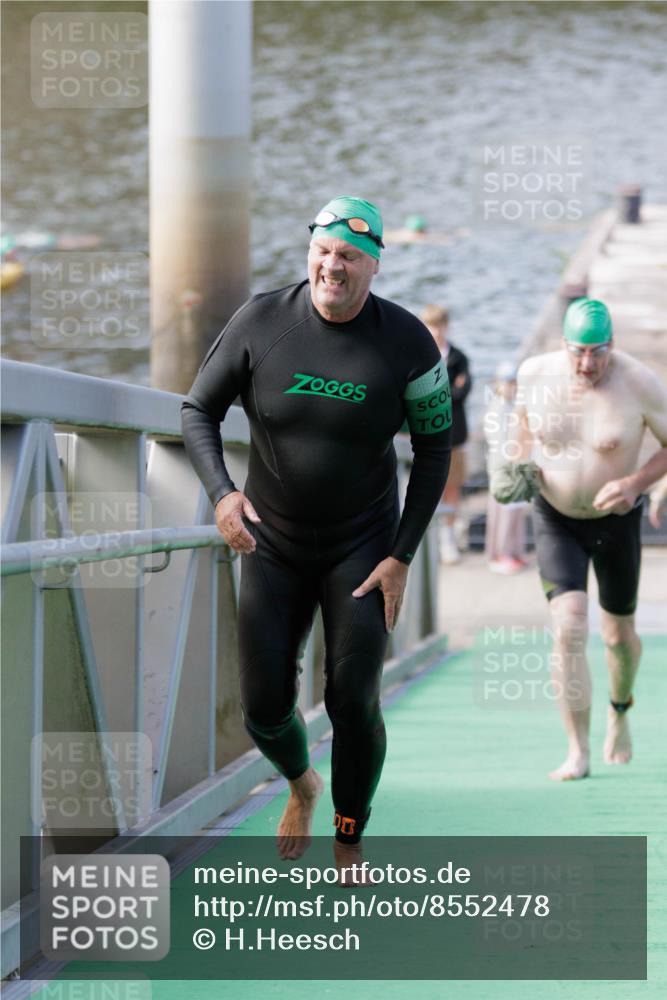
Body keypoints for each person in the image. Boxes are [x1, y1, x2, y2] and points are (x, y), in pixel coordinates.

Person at [181, 196, 452, 878]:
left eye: (349, 257)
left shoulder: (408, 342)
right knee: (265, 706)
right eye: (323, 253)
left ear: (374, 264)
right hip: (272, 542)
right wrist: (222, 494)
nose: (333, 267)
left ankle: (349, 833)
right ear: (310, 254)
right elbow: (196, 411)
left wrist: (400, 555)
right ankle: (302, 782)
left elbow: (435, 451)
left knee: (352, 698)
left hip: (362, 547)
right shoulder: (261, 321)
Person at [495, 298, 667, 781]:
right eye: (578, 352)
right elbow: (523, 431)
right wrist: (516, 462)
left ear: (612, 345)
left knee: (618, 640)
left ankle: (620, 709)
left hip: (616, 521)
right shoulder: (534, 374)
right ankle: (578, 750)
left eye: (598, 352)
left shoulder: (638, 382)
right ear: (562, 346)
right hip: (556, 517)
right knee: (569, 626)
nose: (588, 364)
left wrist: (634, 485)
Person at [421, 304, 472, 563]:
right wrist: (448, 389)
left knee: (453, 486)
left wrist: (437, 393)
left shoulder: (458, 357)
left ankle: (448, 536)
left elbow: (462, 393)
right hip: (426, 435)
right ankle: (433, 535)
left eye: (439, 325)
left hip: (455, 434)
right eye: (431, 325)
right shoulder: (419, 354)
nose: (435, 331)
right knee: (429, 487)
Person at [483, 361, 528, 573]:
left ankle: (514, 551)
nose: (512, 387)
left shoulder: (513, 405)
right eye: (508, 382)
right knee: (503, 512)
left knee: (515, 510)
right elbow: (498, 439)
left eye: (514, 382)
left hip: (515, 464)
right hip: (503, 466)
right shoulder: (498, 406)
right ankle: (500, 554)